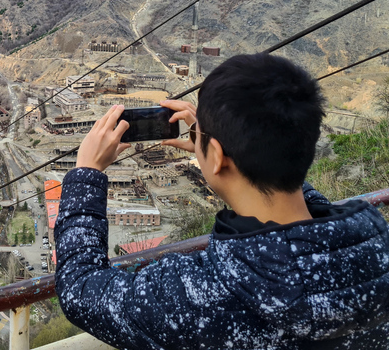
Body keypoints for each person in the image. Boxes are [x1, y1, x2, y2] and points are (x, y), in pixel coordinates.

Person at [55, 53, 389, 349]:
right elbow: (292, 195)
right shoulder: (377, 249)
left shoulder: (199, 295)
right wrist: (215, 142)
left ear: (215, 156)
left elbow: (80, 290)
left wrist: (86, 172)